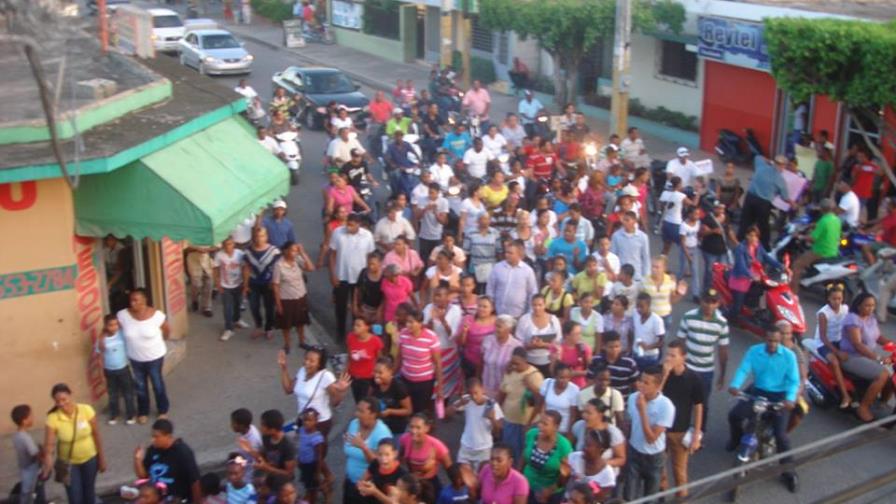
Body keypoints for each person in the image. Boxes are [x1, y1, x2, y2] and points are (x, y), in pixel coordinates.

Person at [727, 328, 800, 492]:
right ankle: (736, 439)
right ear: (764, 338)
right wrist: (735, 385)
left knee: (781, 436)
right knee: (734, 415)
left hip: (779, 397)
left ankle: (789, 471)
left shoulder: (789, 356)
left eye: (776, 341)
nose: (772, 344)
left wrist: (789, 398)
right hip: (758, 392)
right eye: (770, 340)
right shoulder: (754, 351)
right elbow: (744, 369)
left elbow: (793, 380)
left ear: (780, 341)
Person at [40, 383, 106, 504]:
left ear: (71, 395)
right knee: (75, 498)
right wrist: (48, 463)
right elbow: (49, 445)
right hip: (68, 464)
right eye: (57, 401)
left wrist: (101, 459)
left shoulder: (86, 410)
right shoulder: (53, 418)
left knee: (89, 493)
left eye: (64, 399)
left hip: (90, 459)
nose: (61, 404)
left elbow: (96, 434)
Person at [277, 346, 351, 451]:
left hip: (320, 423)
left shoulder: (326, 376)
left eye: (312, 361)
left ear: (319, 364)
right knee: (304, 452)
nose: (307, 363)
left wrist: (341, 391)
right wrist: (283, 368)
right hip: (303, 420)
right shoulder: (302, 371)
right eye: (306, 358)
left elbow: (335, 402)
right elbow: (288, 389)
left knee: (315, 454)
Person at [676, 288, 728, 432]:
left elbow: (723, 350)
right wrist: (678, 365)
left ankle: (699, 433)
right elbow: (680, 342)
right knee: (683, 401)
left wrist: (722, 375)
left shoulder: (722, 323)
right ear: (701, 301)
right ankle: (681, 431)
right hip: (687, 367)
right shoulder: (688, 317)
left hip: (706, 371)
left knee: (702, 404)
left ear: (718, 304)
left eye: (713, 302)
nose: (709, 305)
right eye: (706, 301)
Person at [117, 288, 170, 423]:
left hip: (154, 357)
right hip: (135, 358)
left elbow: (166, 330)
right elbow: (113, 329)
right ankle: (143, 411)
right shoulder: (122, 315)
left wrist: (161, 341)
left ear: (144, 300)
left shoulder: (157, 315)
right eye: (131, 300)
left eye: (136, 300)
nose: (132, 303)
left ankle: (163, 410)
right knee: (140, 386)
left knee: (157, 383)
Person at [623, 367, 675, 501]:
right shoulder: (633, 398)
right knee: (629, 496)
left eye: (646, 383)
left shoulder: (666, 406)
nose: (641, 385)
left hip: (654, 457)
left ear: (657, 386)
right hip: (634, 452)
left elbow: (651, 438)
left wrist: (642, 411)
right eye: (641, 381)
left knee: (650, 498)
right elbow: (629, 424)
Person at [659, 340, 703, 499]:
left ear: (683, 357)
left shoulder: (693, 378)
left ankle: (681, 499)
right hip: (660, 429)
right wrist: (664, 376)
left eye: (673, 355)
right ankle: (662, 495)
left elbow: (698, 406)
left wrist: (696, 435)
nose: (668, 359)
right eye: (667, 354)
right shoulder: (661, 373)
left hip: (680, 431)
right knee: (659, 467)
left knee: (680, 471)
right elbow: (655, 396)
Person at [840, 293, 894, 422]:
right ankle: (863, 407)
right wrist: (878, 358)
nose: (870, 308)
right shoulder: (852, 320)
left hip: (867, 356)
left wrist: (892, 345)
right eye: (867, 306)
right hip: (852, 357)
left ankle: (881, 403)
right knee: (882, 374)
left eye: (873, 306)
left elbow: (878, 337)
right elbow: (857, 344)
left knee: (892, 373)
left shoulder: (871, 318)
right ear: (859, 306)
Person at [330, 214, 377, 339]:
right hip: (342, 276)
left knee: (357, 307)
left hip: (359, 278)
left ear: (358, 224)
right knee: (340, 306)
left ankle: (356, 333)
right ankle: (340, 333)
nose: (348, 227)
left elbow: (370, 257)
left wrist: (369, 275)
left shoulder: (367, 236)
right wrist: (333, 274)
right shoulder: (337, 233)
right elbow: (333, 254)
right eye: (347, 224)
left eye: (351, 225)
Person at [727, 225, 782, 327]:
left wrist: (781, 267)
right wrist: (751, 276)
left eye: (755, 236)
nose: (753, 238)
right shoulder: (740, 248)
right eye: (751, 235)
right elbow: (741, 267)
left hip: (755, 279)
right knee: (737, 306)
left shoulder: (758, 246)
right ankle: (730, 318)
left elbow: (767, 258)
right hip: (740, 280)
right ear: (746, 236)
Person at [134, 419, 200, 502]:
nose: (153, 440)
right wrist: (137, 460)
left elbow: (195, 481)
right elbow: (143, 477)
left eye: (156, 437)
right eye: (152, 436)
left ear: (168, 436)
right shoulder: (152, 450)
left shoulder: (182, 452)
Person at [808, 284, 851, 409]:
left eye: (839, 298)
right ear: (828, 299)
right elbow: (823, 337)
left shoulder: (845, 309)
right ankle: (845, 395)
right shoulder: (823, 313)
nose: (837, 301)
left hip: (839, 340)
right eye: (834, 299)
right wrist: (837, 352)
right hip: (824, 343)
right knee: (835, 362)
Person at [344, 398, 395, 504]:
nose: (356, 414)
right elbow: (348, 449)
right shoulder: (354, 424)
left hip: (368, 487)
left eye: (361, 411)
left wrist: (363, 447)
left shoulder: (382, 433)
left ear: (373, 414)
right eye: (357, 410)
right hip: (350, 481)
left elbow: (380, 463)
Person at [738, 155, 795, 249]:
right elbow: (785, 197)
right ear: (783, 166)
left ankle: (740, 241)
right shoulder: (779, 179)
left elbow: (757, 157)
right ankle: (765, 247)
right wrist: (792, 203)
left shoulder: (761, 166)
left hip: (750, 198)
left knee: (745, 221)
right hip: (763, 203)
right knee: (763, 225)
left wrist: (769, 161)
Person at [397, 308, 444, 415]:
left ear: (420, 323)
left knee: (420, 412)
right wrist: (392, 375)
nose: (408, 325)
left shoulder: (431, 337)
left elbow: (437, 363)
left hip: (424, 383)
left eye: (411, 322)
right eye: (407, 322)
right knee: (406, 409)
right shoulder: (403, 334)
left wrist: (440, 387)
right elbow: (399, 357)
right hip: (405, 379)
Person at [790, 198, 842, 294]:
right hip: (833, 250)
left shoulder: (824, 220)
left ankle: (793, 291)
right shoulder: (836, 219)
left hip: (821, 250)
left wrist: (800, 236)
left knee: (797, 265)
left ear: (821, 209)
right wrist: (812, 225)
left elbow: (812, 238)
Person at [453, 377, 504, 472]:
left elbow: (498, 431)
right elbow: (446, 414)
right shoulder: (466, 400)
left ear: (483, 389)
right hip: (466, 446)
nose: (474, 397)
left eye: (476, 393)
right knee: (463, 475)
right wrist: (459, 403)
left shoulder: (491, 405)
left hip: (484, 449)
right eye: (471, 393)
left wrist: (492, 419)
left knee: (481, 476)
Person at [520, 411, 572, 504]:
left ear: (556, 427)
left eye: (545, 424)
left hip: (549, 494)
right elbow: (523, 457)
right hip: (526, 486)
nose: (540, 426)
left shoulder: (564, 446)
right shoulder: (531, 434)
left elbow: (565, 475)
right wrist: (518, 478)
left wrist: (549, 491)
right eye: (540, 422)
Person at [399, 413, 453, 502]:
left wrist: (452, 493)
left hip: (430, 486)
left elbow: (451, 471)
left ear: (427, 428)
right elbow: (399, 458)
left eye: (418, 427)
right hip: (412, 485)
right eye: (411, 427)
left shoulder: (437, 446)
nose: (413, 431)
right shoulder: (405, 439)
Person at [272, 241, 314, 352]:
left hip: (300, 296)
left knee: (301, 322)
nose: (295, 253)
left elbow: (310, 268)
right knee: (286, 324)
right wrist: (278, 304)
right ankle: (287, 344)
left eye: (296, 251)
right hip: (286, 299)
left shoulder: (297, 260)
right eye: (293, 250)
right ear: (285, 251)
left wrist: (303, 253)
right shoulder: (279, 265)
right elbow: (276, 285)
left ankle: (302, 341)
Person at [423, 286, 464, 400]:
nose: (440, 298)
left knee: (447, 385)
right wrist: (429, 324)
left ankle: (444, 406)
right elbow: (423, 329)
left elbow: (454, 335)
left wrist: (443, 321)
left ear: (448, 297)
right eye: (437, 295)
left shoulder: (455, 310)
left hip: (449, 351)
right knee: (433, 382)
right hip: (432, 352)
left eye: (443, 295)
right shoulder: (429, 308)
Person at [94, 314, 136, 424]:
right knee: (113, 394)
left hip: (123, 368)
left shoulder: (121, 334)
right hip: (109, 371)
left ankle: (130, 415)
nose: (114, 327)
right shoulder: (101, 340)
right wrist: (101, 374)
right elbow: (99, 358)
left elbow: (128, 328)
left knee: (128, 393)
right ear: (105, 326)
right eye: (111, 325)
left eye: (116, 324)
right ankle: (114, 414)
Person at [243, 227, 280, 340]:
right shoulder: (248, 252)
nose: (259, 239)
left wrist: (275, 283)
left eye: (262, 236)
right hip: (253, 283)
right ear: (253, 237)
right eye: (257, 236)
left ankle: (269, 328)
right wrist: (245, 285)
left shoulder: (274, 251)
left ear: (266, 237)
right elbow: (246, 268)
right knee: (254, 306)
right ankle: (258, 326)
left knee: (269, 307)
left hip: (268, 284)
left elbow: (277, 269)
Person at [486, 241, 538, 318]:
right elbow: (490, 288)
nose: (506, 255)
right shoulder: (497, 268)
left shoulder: (528, 271)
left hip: (518, 315)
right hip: (498, 313)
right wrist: (491, 307)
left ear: (519, 254)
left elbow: (532, 292)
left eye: (510, 253)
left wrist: (529, 313)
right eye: (506, 252)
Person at [516, 295, 563, 377]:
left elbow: (558, 342)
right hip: (529, 361)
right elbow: (518, 342)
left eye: (540, 305)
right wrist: (530, 346)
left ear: (545, 305)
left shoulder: (553, 320)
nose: (537, 308)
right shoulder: (524, 319)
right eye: (534, 305)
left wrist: (544, 345)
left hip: (549, 362)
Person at [213, 237, 248, 342]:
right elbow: (215, 269)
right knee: (227, 308)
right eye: (226, 244)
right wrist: (217, 284)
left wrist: (245, 284)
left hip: (238, 284)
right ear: (223, 246)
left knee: (238, 304)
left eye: (230, 244)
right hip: (225, 286)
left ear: (234, 244)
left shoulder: (240, 254)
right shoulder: (219, 255)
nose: (228, 247)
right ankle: (228, 329)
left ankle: (237, 320)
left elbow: (245, 268)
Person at [586, 331, 639, 398]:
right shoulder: (596, 361)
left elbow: (636, 386)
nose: (614, 350)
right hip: (600, 400)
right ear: (604, 346)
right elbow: (590, 383)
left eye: (617, 346)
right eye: (611, 347)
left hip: (623, 400)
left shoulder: (629, 363)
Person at [12, 404, 45, 504]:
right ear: (24, 421)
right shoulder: (25, 438)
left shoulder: (17, 435)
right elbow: (35, 454)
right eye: (30, 416)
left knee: (27, 492)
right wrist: (43, 453)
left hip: (24, 469)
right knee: (33, 493)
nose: (33, 418)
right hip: (32, 470)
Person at [372, 356, 413, 436]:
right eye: (375, 372)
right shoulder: (374, 383)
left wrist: (390, 411)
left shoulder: (398, 387)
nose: (376, 375)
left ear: (390, 372)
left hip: (396, 428)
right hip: (379, 426)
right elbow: (369, 399)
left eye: (380, 373)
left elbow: (408, 410)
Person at [642, 255, 686, 330]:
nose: (653, 269)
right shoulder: (644, 281)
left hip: (665, 317)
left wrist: (681, 293)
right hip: (650, 317)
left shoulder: (670, 281)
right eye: (652, 266)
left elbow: (672, 300)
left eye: (657, 267)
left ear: (664, 268)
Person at [347, 317, 386, 401]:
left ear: (367, 327)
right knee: (356, 398)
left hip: (368, 378)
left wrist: (378, 376)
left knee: (364, 400)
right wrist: (346, 370)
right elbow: (349, 356)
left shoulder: (376, 341)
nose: (355, 327)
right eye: (354, 325)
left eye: (358, 325)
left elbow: (380, 360)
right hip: (353, 376)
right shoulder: (350, 337)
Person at [537, 363, 580, 435]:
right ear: (555, 376)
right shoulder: (547, 383)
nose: (565, 380)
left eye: (567, 377)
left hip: (563, 430)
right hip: (546, 427)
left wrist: (569, 434)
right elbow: (540, 405)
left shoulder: (574, 389)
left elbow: (573, 416)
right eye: (561, 378)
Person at [610, 211, 651, 280]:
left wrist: (647, 275)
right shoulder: (616, 236)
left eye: (627, 220)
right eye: (624, 220)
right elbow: (613, 255)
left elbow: (646, 257)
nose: (624, 222)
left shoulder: (643, 237)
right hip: (621, 273)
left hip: (636, 274)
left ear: (634, 221)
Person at [417, 183, 451, 262]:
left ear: (438, 193)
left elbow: (443, 221)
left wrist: (435, 212)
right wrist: (425, 209)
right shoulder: (422, 199)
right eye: (429, 192)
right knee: (423, 259)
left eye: (432, 193)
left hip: (437, 236)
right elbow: (418, 217)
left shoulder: (444, 201)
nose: (430, 195)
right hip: (424, 235)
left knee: (437, 259)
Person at [632, 292, 665, 370]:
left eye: (641, 307)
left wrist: (648, 347)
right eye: (637, 306)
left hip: (650, 357)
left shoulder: (656, 320)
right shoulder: (635, 313)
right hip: (636, 353)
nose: (638, 309)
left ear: (649, 306)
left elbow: (661, 342)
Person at [230, 408, 262, 486]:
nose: (231, 425)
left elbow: (256, 460)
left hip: (247, 473)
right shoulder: (249, 428)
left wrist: (236, 462)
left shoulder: (252, 440)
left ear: (241, 425)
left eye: (233, 423)